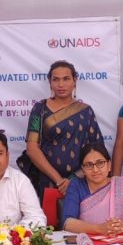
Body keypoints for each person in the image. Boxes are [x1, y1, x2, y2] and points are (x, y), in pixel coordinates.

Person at [21, 60, 103, 200]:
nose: (61, 84)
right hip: (48, 180)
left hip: (81, 181)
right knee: (50, 214)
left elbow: (97, 150)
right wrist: (59, 181)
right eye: (56, 79)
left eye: (66, 79)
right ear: (50, 82)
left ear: (74, 81)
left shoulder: (86, 111)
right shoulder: (39, 109)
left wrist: (74, 179)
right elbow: (32, 148)